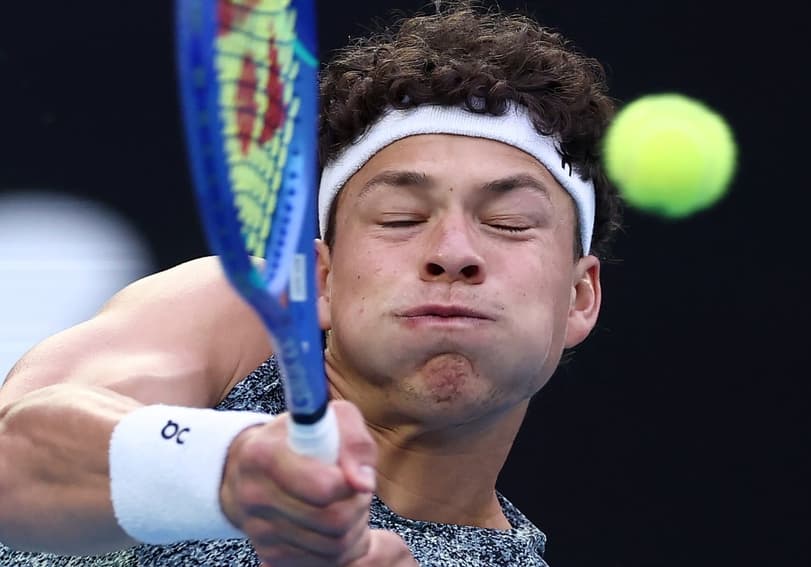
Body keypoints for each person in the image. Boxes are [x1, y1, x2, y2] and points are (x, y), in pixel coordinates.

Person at [0, 1, 622, 565]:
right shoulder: (241, 318)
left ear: (579, 297)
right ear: (321, 277)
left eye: (508, 224)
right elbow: (12, 458)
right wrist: (234, 468)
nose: (453, 252)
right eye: (401, 219)